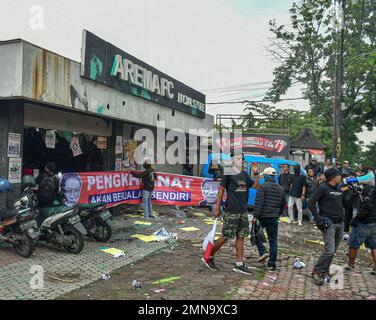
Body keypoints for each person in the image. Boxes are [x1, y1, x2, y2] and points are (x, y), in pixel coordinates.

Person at [202, 152, 256, 274]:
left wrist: (256, 172)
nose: (240, 161)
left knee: (241, 236)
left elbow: (256, 186)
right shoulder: (228, 173)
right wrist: (217, 208)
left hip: (243, 211)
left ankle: (239, 264)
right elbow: (221, 190)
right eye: (238, 159)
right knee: (226, 235)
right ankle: (208, 256)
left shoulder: (245, 174)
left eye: (242, 159)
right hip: (231, 210)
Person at [308, 168, 349, 286]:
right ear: (331, 177)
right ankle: (316, 271)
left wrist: (349, 193)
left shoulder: (339, 188)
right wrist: (317, 218)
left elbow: (345, 204)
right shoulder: (323, 187)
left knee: (333, 251)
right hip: (328, 223)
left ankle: (323, 271)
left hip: (340, 223)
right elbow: (311, 202)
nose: (340, 177)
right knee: (329, 251)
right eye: (338, 175)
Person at [252, 167, 286, 272]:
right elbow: (282, 205)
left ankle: (262, 251)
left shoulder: (263, 187)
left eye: (264, 176)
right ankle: (272, 265)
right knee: (273, 241)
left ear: (267, 176)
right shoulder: (281, 189)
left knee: (255, 235)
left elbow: (259, 204)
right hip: (274, 217)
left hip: (262, 217)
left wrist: (255, 216)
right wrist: (277, 214)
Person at [346, 167, 376, 275]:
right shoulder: (371, 188)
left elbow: (366, 206)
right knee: (374, 245)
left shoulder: (370, 189)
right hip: (374, 221)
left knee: (353, 243)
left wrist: (356, 219)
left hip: (365, 221)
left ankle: (350, 265)